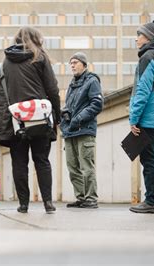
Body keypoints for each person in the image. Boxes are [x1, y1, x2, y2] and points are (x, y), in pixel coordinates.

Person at [0, 27, 61, 214]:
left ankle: (23, 204)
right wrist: (57, 115)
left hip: (17, 120)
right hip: (39, 117)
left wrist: (0, 123)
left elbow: (2, 94)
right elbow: (52, 89)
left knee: (19, 162)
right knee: (42, 160)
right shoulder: (40, 56)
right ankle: (47, 202)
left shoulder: (6, 61)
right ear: (36, 38)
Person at [129, 18, 154, 214]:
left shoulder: (148, 57)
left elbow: (142, 91)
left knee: (148, 159)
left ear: (148, 37)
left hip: (147, 116)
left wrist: (134, 118)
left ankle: (152, 201)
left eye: (139, 34)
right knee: (152, 158)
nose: (136, 38)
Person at [60, 52, 103, 209]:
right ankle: (81, 198)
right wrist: (64, 114)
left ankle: (91, 198)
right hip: (70, 131)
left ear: (84, 65)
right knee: (73, 167)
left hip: (84, 130)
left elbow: (97, 104)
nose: (72, 65)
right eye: (71, 63)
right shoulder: (72, 84)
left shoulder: (92, 81)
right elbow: (71, 107)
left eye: (76, 62)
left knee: (86, 167)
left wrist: (78, 119)